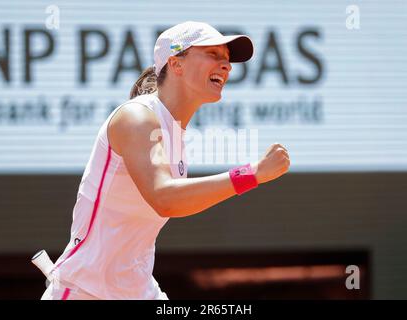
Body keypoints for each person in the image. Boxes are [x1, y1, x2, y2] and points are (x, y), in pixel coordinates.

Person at [40, 21, 290, 300]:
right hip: (85, 291)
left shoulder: (172, 131)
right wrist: (251, 174)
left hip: (138, 291)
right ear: (176, 64)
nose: (226, 66)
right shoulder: (137, 117)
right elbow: (164, 197)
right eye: (213, 54)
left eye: (227, 59)